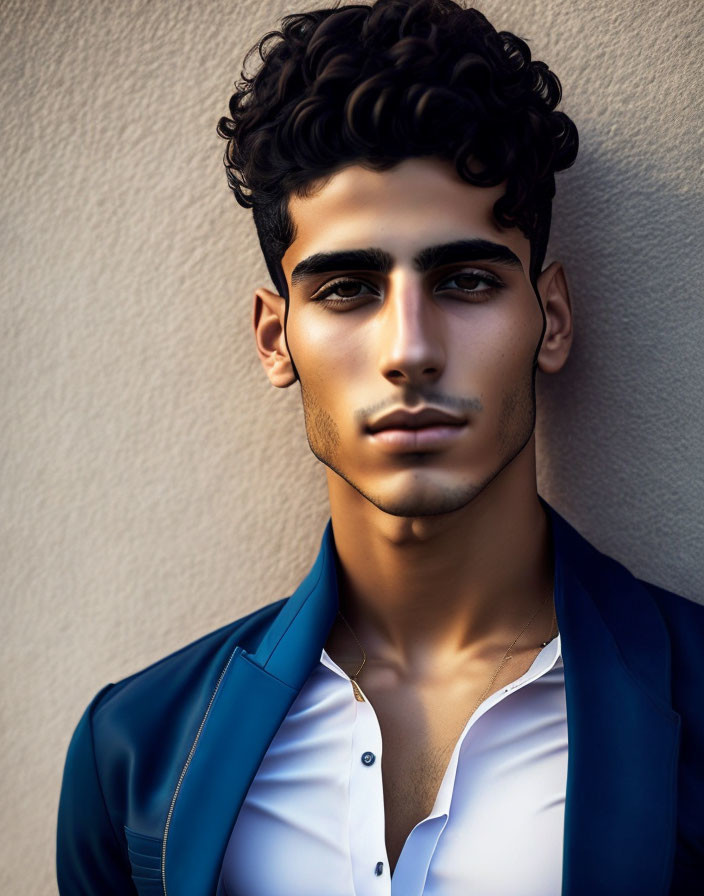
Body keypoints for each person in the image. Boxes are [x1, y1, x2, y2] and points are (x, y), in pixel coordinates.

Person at [56, 1, 704, 894]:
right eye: (349, 288)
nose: (409, 349)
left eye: (466, 280)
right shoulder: (131, 751)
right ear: (276, 338)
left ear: (550, 318)